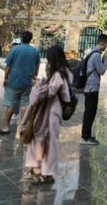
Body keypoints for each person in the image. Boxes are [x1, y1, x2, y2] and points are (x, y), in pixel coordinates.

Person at [20, 45, 73, 185]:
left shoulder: (58, 74)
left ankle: (46, 172)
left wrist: (38, 84)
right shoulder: (63, 72)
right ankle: (38, 169)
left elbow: (49, 92)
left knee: (47, 141)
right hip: (50, 111)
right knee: (41, 139)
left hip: (52, 111)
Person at [0, 31, 40, 135]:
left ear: (21, 39)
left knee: (11, 104)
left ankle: (6, 127)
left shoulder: (15, 49)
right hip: (27, 81)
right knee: (25, 104)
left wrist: (5, 78)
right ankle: (23, 127)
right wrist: (34, 76)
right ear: (31, 39)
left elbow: (8, 65)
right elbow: (37, 66)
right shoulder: (35, 51)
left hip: (14, 80)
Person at [80, 33, 107, 146]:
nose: (106, 47)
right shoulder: (96, 55)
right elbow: (102, 70)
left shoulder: (91, 52)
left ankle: (86, 135)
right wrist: (106, 58)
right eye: (106, 44)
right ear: (102, 43)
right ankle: (85, 137)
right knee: (90, 113)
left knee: (90, 112)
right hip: (92, 87)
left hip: (89, 86)